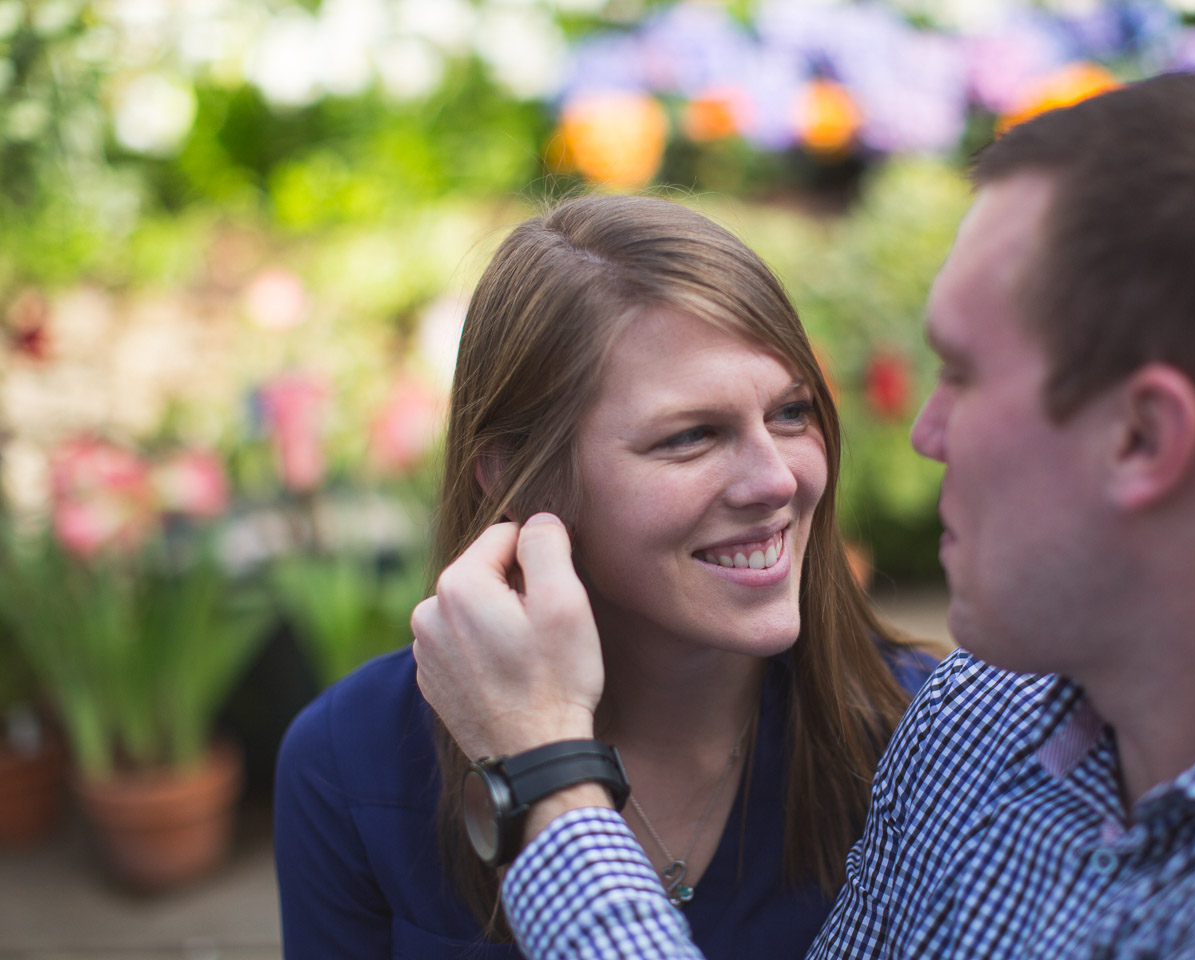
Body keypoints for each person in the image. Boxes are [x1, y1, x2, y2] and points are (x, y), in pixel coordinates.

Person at [411, 68, 1195, 959]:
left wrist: (548, 775)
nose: (924, 432)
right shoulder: (982, 716)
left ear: (1143, 439)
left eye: (963, 374)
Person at [273, 195, 938, 959]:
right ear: (522, 482)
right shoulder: (353, 759)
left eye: (791, 413)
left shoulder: (922, 740)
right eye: (691, 435)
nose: (777, 480)